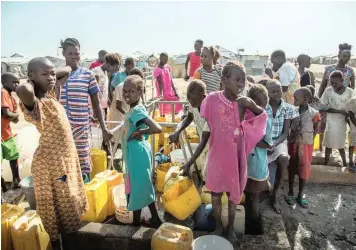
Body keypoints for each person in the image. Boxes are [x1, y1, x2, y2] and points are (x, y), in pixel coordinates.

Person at [181, 62, 267, 242]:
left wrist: (246, 131)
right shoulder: (211, 100)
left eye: (243, 80)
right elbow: (206, 123)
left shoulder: (244, 102)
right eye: (237, 79)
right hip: (217, 154)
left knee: (233, 193)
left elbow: (262, 115)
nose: (241, 83)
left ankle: (230, 228)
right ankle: (219, 226)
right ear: (224, 80)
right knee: (215, 192)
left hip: (235, 155)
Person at [16, 58, 88, 250]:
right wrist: (31, 79)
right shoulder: (35, 103)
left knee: (67, 206)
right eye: (45, 74)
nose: (51, 78)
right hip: (51, 167)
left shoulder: (51, 96)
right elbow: (22, 89)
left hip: (65, 163)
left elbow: (67, 69)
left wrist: (49, 74)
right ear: (32, 76)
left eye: (52, 74)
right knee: (60, 211)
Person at [58, 38, 112, 175]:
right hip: (63, 128)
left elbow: (96, 104)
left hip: (82, 128)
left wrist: (104, 127)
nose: (74, 57)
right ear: (63, 53)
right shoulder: (58, 76)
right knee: (65, 164)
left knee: (83, 165)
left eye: (77, 53)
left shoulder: (87, 75)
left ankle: (84, 193)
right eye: (70, 54)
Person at [121, 75, 162, 227]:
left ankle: (136, 224)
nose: (126, 94)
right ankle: (155, 219)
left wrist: (141, 133)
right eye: (125, 91)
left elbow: (157, 128)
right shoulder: (134, 108)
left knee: (138, 188)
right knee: (141, 186)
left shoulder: (137, 110)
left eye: (131, 91)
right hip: (136, 153)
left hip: (137, 155)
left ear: (140, 92)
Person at [266, 79, 299, 214]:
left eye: (278, 90)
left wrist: (274, 144)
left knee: (284, 159)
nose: (276, 94)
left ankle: (275, 195)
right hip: (262, 142)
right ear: (267, 92)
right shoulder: (262, 106)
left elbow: (285, 133)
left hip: (278, 141)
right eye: (272, 91)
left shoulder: (288, 108)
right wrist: (265, 144)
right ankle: (259, 193)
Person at [286, 88, 320, 209]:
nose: (293, 100)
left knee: (304, 168)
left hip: (306, 145)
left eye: (296, 98)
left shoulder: (314, 113)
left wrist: (309, 138)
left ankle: (300, 195)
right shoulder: (292, 111)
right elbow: (288, 126)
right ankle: (290, 192)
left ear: (306, 99)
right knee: (292, 167)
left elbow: (316, 128)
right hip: (293, 144)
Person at [244, 84, 272, 235]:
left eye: (263, 103)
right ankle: (248, 220)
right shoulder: (244, 116)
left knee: (254, 196)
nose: (260, 106)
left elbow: (267, 143)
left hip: (256, 165)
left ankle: (254, 227)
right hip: (244, 164)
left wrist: (250, 139)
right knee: (246, 194)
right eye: (256, 103)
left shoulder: (266, 119)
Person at [169, 79, 209, 180]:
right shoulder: (193, 103)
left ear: (203, 97)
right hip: (204, 144)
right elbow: (189, 117)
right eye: (189, 100)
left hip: (214, 147)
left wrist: (189, 163)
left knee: (209, 177)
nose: (191, 103)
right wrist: (177, 131)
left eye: (194, 101)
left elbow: (204, 141)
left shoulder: (210, 109)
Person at [320, 70, 355, 167]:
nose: (333, 84)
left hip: (343, 122)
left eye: (336, 82)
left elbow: (352, 107)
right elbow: (323, 106)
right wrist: (340, 111)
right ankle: (326, 164)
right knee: (329, 143)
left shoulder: (350, 92)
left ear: (342, 80)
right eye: (331, 82)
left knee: (341, 143)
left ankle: (344, 163)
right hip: (331, 121)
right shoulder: (328, 91)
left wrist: (348, 116)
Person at [1, 72, 21, 190]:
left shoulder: (13, 99)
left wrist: (12, 115)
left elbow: (16, 120)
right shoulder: (2, 93)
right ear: (4, 82)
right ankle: (4, 185)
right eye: (14, 82)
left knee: (14, 157)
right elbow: (7, 114)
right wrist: (13, 114)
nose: (17, 84)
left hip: (8, 134)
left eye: (18, 82)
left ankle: (16, 180)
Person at [347, 95, 356, 171]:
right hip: (354, 126)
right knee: (352, 144)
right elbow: (351, 115)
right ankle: (350, 161)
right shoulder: (352, 100)